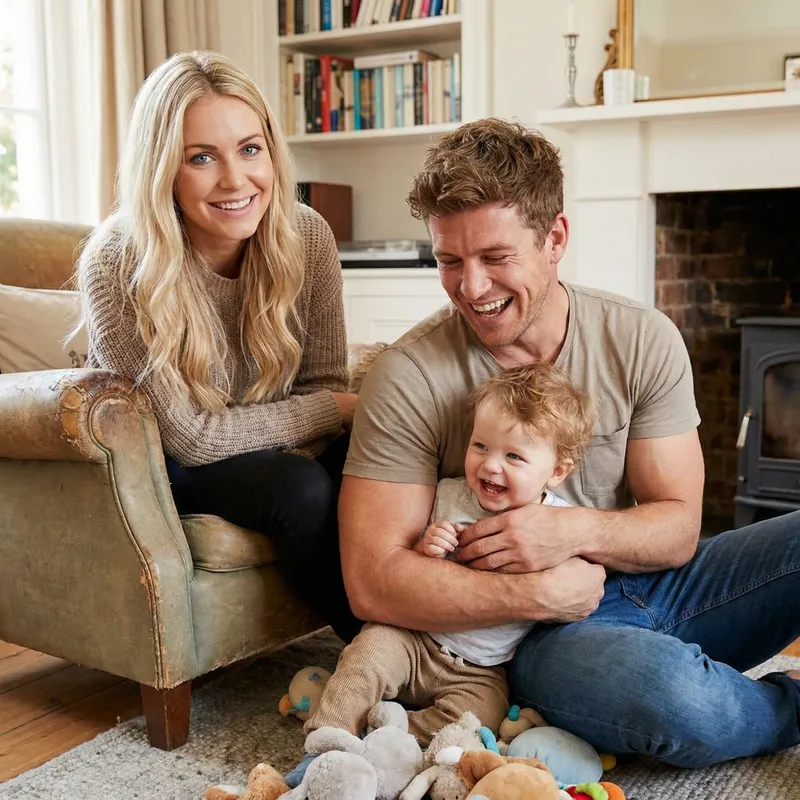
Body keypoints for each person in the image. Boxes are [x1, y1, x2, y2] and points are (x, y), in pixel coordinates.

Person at [338, 117, 800, 768]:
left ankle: (682, 671)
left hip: (657, 585)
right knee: (673, 698)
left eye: (495, 257)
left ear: (555, 238)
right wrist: (537, 593)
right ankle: (777, 707)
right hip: (536, 638)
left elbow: (677, 531)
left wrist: (568, 533)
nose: (470, 288)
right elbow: (374, 582)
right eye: (449, 261)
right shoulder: (409, 376)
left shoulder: (642, 338)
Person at [77, 51, 361, 642]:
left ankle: (474, 631)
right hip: (171, 467)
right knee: (299, 487)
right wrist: (332, 413)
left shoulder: (306, 234)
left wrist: (339, 415)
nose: (236, 181)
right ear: (162, 170)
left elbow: (324, 382)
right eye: (201, 158)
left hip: (277, 445)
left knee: (398, 435)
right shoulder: (118, 260)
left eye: (249, 149)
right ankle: (388, 655)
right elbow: (190, 438)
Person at [304, 363, 594, 745]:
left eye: (514, 457)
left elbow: (573, 584)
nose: (490, 464)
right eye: (481, 446)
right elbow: (406, 563)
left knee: (480, 717)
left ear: (556, 470)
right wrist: (428, 546)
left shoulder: (559, 523)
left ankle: (392, 735)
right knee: (367, 655)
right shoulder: (448, 493)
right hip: (413, 638)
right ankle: (328, 738)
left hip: (480, 669)